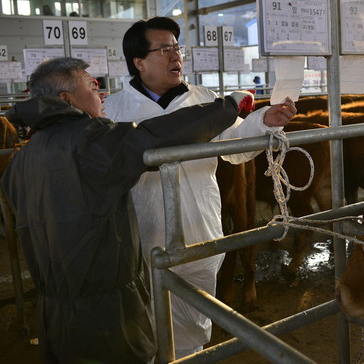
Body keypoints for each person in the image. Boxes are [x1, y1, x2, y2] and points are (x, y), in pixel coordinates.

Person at [1, 57, 254, 363]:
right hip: (106, 310)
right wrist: (226, 107)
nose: (101, 94)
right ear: (66, 99)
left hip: (54, 311)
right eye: (91, 86)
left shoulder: (21, 160)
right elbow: (154, 135)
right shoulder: (90, 141)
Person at [103, 16, 296, 358]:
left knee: (194, 317)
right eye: (164, 48)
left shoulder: (204, 99)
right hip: (140, 232)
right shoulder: (113, 109)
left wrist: (263, 121)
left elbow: (237, 146)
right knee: (143, 317)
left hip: (199, 228)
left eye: (177, 47)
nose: (175, 55)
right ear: (139, 62)